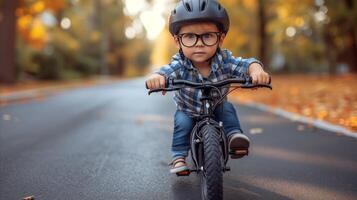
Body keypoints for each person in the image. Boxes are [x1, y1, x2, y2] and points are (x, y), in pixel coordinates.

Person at [145, 0, 270, 174]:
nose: (199, 43)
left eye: (207, 36)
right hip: (187, 109)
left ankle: (234, 137)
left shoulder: (225, 60)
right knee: (182, 122)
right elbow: (165, 71)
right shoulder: (180, 62)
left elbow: (246, 64)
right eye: (189, 36)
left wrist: (256, 70)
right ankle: (178, 157)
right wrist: (157, 78)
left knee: (227, 108)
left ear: (220, 38)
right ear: (177, 41)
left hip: (216, 106)